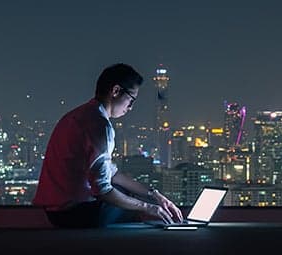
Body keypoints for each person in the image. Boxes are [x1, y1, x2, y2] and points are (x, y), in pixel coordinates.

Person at [32, 63, 183, 228]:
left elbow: (112, 173)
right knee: (131, 207)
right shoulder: (99, 125)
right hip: (72, 213)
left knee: (128, 196)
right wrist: (149, 207)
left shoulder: (79, 115)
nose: (131, 107)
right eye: (131, 99)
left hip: (55, 210)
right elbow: (103, 190)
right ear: (116, 91)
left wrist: (154, 195)